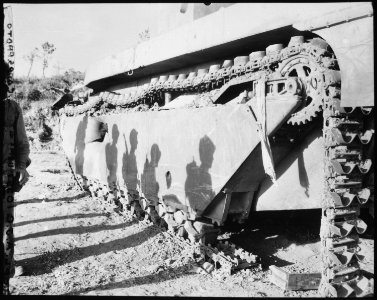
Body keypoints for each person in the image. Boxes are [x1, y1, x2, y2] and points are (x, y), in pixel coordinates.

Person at [1, 61, 31, 295]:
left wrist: (21, 166)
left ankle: (6, 271)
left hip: (5, 176)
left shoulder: (11, 108)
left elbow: (21, 142)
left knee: (6, 227)